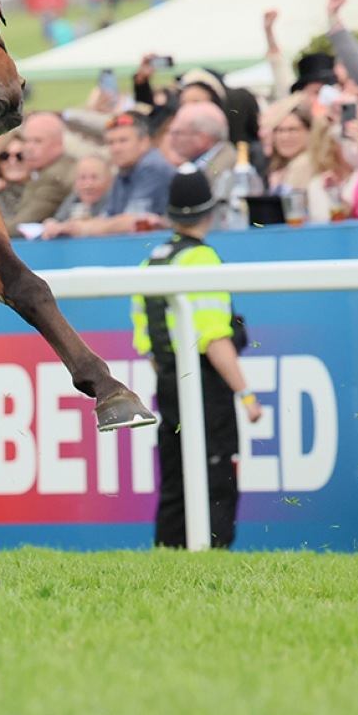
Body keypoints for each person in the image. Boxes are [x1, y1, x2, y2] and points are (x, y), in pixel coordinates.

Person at [133, 164, 263, 550]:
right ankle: (211, 564)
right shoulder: (202, 259)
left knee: (175, 483)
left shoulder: (150, 262)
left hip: (169, 385)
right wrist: (246, 395)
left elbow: (149, 346)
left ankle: (168, 562)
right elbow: (214, 339)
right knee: (216, 481)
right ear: (211, 212)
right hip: (206, 388)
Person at [41, 113, 173, 239]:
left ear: (144, 142)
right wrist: (65, 227)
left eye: (123, 141)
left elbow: (134, 221)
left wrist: (85, 229)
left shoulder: (151, 167)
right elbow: (107, 216)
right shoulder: (124, 171)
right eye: (111, 142)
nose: (116, 148)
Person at [2, 112, 78, 236]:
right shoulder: (47, 171)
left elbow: (23, 225)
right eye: (26, 141)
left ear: (58, 143)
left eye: (38, 141)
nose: (29, 148)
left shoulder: (53, 177)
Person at [49, 155, 114, 225]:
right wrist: (51, 223)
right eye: (83, 178)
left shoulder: (113, 202)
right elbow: (57, 221)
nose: (88, 185)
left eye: (94, 178)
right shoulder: (74, 199)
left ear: (108, 181)